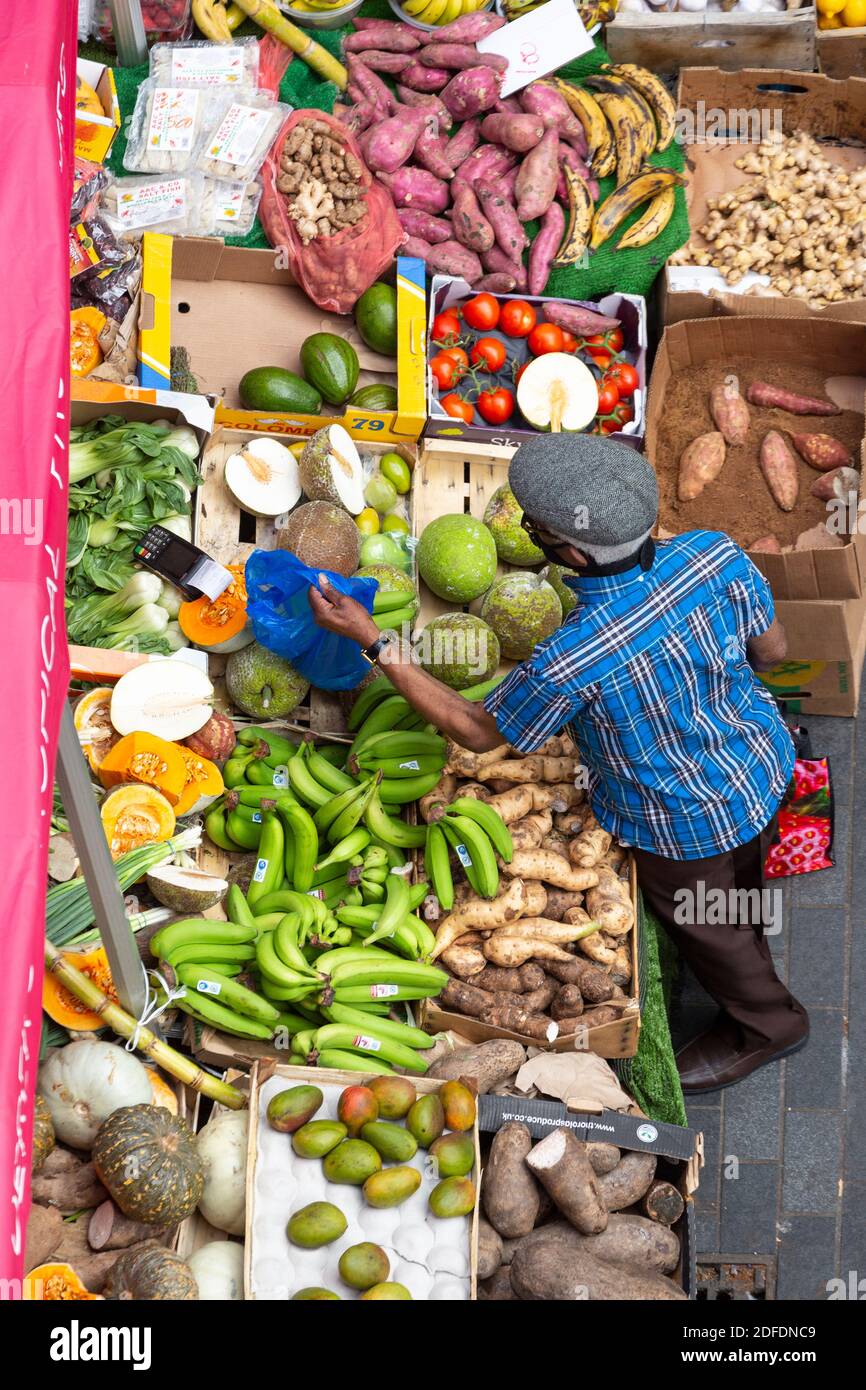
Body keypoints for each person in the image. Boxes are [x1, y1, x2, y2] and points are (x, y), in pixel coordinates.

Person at [309, 434, 808, 1095]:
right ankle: (741, 897)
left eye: (533, 526)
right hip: (761, 757)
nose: (522, 530)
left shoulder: (569, 659)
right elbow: (772, 652)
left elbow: (473, 729)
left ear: (570, 553)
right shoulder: (714, 553)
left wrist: (373, 641)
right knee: (740, 867)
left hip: (679, 826)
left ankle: (769, 1023)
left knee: (708, 923)